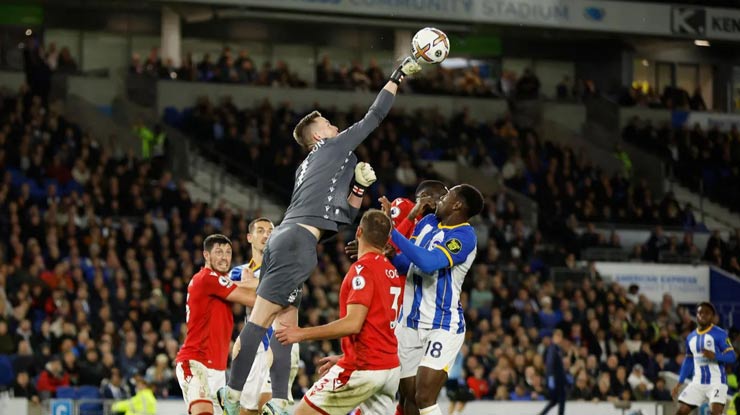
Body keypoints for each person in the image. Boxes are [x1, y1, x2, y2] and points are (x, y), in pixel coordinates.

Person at [219, 56, 422, 415]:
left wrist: (358, 188)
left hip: (298, 240)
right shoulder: (331, 147)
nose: (333, 125)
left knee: (285, 321)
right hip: (296, 241)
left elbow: (339, 220)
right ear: (317, 135)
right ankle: (232, 393)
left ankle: (280, 401)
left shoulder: (309, 167)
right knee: (261, 319)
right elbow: (374, 117)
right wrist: (398, 75)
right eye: (327, 123)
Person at [274, 209, 403, 415]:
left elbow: (353, 324)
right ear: (387, 239)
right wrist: (346, 355)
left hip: (364, 367)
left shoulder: (363, 269)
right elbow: (377, 326)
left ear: (358, 232)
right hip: (389, 369)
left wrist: (301, 333)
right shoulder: (392, 272)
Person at [388, 184, 484, 415]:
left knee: (424, 396)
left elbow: (429, 263)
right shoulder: (427, 223)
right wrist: (391, 255)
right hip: (410, 323)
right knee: (408, 398)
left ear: (458, 204)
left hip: (442, 325)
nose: (440, 200)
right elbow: (407, 265)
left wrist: (391, 233)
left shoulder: (464, 236)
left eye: (447, 196)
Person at [175, 234, 259, 415]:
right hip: (196, 362)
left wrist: (248, 283)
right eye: (218, 252)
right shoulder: (207, 277)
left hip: (219, 370)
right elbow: (253, 300)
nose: (224, 257)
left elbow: (234, 287)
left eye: (228, 252)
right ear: (206, 255)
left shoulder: (218, 282)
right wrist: (274, 283)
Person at [229, 217, 293, 415]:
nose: (266, 235)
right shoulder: (239, 272)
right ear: (249, 237)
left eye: (270, 231)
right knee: (247, 411)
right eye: (260, 230)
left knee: (269, 407)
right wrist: (252, 288)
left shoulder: (282, 267)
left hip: (278, 344)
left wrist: (251, 287)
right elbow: (223, 289)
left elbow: (276, 296)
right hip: (252, 348)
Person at [672, 302, 736, 415]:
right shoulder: (690, 337)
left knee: (715, 412)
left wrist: (715, 356)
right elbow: (688, 360)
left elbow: (732, 357)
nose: (703, 315)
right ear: (696, 315)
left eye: (707, 313)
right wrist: (679, 383)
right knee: (681, 412)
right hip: (697, 383)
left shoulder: (720, 334)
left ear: (712, 317)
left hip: (716, 381)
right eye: (700, 312)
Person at [538, 330, 567, 415]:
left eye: (560, 336)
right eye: (557, 336)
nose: (558, 338)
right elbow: (550, 363)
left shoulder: (558, 348)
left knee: (555, 400)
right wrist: (550, 377)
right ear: (553, 337)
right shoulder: (552, 348)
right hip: (556, 379)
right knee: (561, 399)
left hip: (558, 378)